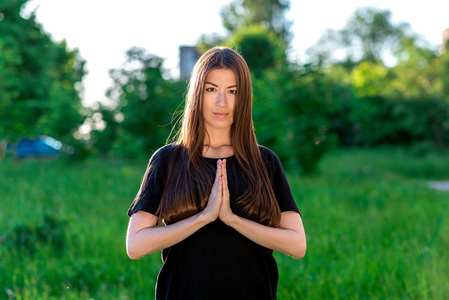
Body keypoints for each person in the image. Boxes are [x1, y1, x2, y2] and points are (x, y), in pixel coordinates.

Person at [126, 46, 306, 300]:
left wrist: (232, 219)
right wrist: (204, 217)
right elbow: (135, 245)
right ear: (197, 94)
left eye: (232, 91)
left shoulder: (264, 161)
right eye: (212, 89)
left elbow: (297, 244)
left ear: (244, 97)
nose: (222, 102)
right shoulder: (168, 160)